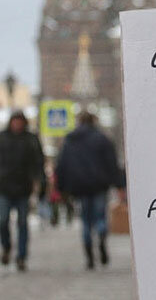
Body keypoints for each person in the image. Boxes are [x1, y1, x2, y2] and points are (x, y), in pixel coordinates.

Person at [55, 111, 125, 269]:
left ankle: (89, 257)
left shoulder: (71, 140)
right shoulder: (102, 139)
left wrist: (61, 187)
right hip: (99, 185)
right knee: (100, 216)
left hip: (79, 186)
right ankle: (101, 235)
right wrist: (119, 184)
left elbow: (63, 165)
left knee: (85, 220)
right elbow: (111, 163)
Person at [0, 110, 45, 271]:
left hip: (23, 188)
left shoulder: (31, 139)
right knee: (2, 220)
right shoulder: (2, 137)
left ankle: (21, 256)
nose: (17, 124)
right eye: (15, 121)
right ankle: (6, 246)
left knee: (22, 223)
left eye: (20, 121)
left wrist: (38, 183)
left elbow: (39, 162)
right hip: (4, 187)